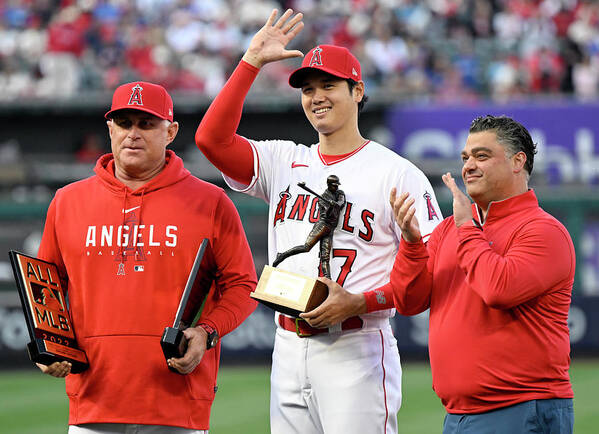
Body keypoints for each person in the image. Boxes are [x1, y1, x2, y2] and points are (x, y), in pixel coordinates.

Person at [195, 9, 442, 434]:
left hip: (357, 344)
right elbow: (211, 140)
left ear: (357, 90)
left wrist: (363, 301)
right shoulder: (285, 159)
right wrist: (251, 60)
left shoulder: (396, 173)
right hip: (287, 345)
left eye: (329, 85)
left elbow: (435, 270)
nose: (316, 97)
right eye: (307, 89)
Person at [36, 80, 258, 434]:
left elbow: (243, 284)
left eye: (146, 123)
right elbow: (45, 286)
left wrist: (206, 332)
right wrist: (51, 344)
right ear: (110, 129)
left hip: (177, 398)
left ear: (170, 131)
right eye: (124, 123)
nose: (133, 134)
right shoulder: (67, 201)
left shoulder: (211, 202)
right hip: (94, 399)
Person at [388, 115, 575, 433]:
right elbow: (409, 301)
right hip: (459, 414)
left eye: (482, 156)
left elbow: (498, 288)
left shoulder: (543, 230)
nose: (468, 166)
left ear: (518, 162)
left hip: (521, 408)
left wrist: (466, 227)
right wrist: (411, 244)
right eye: (465, 157)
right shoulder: (451, 228)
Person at [272, 174, 346, 278]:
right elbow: (328, 215)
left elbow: (342, 202)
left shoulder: (339, 193)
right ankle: (282, 255)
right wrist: (330, 207)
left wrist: (336, 204)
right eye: (334, 185)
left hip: (330, 228)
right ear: (329, 185)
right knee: (306, 247)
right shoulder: (322, 198)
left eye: (337, 185)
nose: (336, 187)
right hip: (322, 226)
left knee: (325, 257)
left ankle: (328, 281)